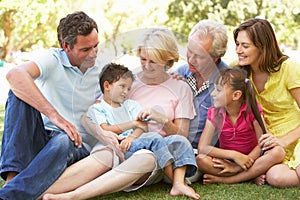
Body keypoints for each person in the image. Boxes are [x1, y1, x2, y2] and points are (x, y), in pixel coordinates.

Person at [43, 27, 200, 199]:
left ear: (168, 60)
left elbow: (182, 136)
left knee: (146, 157)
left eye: (153, 62)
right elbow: (89, 116)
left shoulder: (180, 88)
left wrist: (162, 119)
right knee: (107, 153)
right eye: (143, 59)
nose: (146, 66)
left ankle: (72, 196)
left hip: (154, 154)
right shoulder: (128, 80)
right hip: (118, 142)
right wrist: (103, 135)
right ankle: (32, 193)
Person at [0, 11, 102, 199]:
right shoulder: (53, 59)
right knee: (18, 92)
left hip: (76, 146)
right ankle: (12, 179)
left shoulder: (102, 70)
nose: (93, 54)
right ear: (66, 46)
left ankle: (9, 195)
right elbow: (14, 75)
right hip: (42, 140)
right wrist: (55, 116)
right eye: (85, 50)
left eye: (96, 46)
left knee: (64, 139)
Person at [233, 18, 299, 187]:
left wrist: (283, 140)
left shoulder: (288, 68)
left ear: (262, 47)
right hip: (269, 143)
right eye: (237, 44)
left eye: (245, 46)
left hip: (295, 135)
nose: (238, 50)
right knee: (276, 178)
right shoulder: (240, 74)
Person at [196, 68, 284, 185]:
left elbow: (262, 143)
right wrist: (234, 156)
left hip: (253, 158)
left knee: (278, 152)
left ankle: (227, 179)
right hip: (227, 160)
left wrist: (242, 164)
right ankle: (251, 175)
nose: (212, 94)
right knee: (201, 160)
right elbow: (203, 147)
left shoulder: (252, 110)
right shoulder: (214, 113)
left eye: (218, 90)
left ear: (236, 95)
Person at [87, 62, 175, 174]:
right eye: (122, 86)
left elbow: (143, 125)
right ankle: (171, 177)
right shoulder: (97, 109)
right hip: (115, 146)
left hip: (134, 143)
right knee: (155, 138)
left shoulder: (131, 105)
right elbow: (104, 129)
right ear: (107, 86)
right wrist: (133, 123)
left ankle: (171, 176)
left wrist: (131, 138)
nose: (125, 92)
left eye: (128, 89)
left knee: (157, 138)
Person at [175, 20, 229, 152]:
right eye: (189, 51)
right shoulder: (180, 73)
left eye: (199, 56)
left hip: (203, 155)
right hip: (173, 146)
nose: (191, 59)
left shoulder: (229, 84)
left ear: (215, 57)